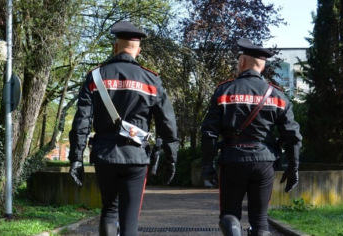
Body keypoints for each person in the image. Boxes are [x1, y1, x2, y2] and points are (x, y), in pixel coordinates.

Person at [68, 21, 179, 236]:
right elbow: (167, 123)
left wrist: (76, 157)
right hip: (136, 156)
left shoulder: (96, 76)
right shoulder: (152, 80)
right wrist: (171, 157)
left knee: (109, 209)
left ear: (115, 47)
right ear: (138, 49)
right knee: (129, 217)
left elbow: (81, 120)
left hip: (104, 155)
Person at [201, 38, 302, 236]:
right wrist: (293, 168)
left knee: (229, 215)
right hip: (264, 163)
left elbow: (209, 132)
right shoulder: (277, 96)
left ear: (242, 62)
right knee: (260, 219)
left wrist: (208, 165)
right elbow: (292, 136)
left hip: (233, 161)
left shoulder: (224, 91)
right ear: (262, 67)